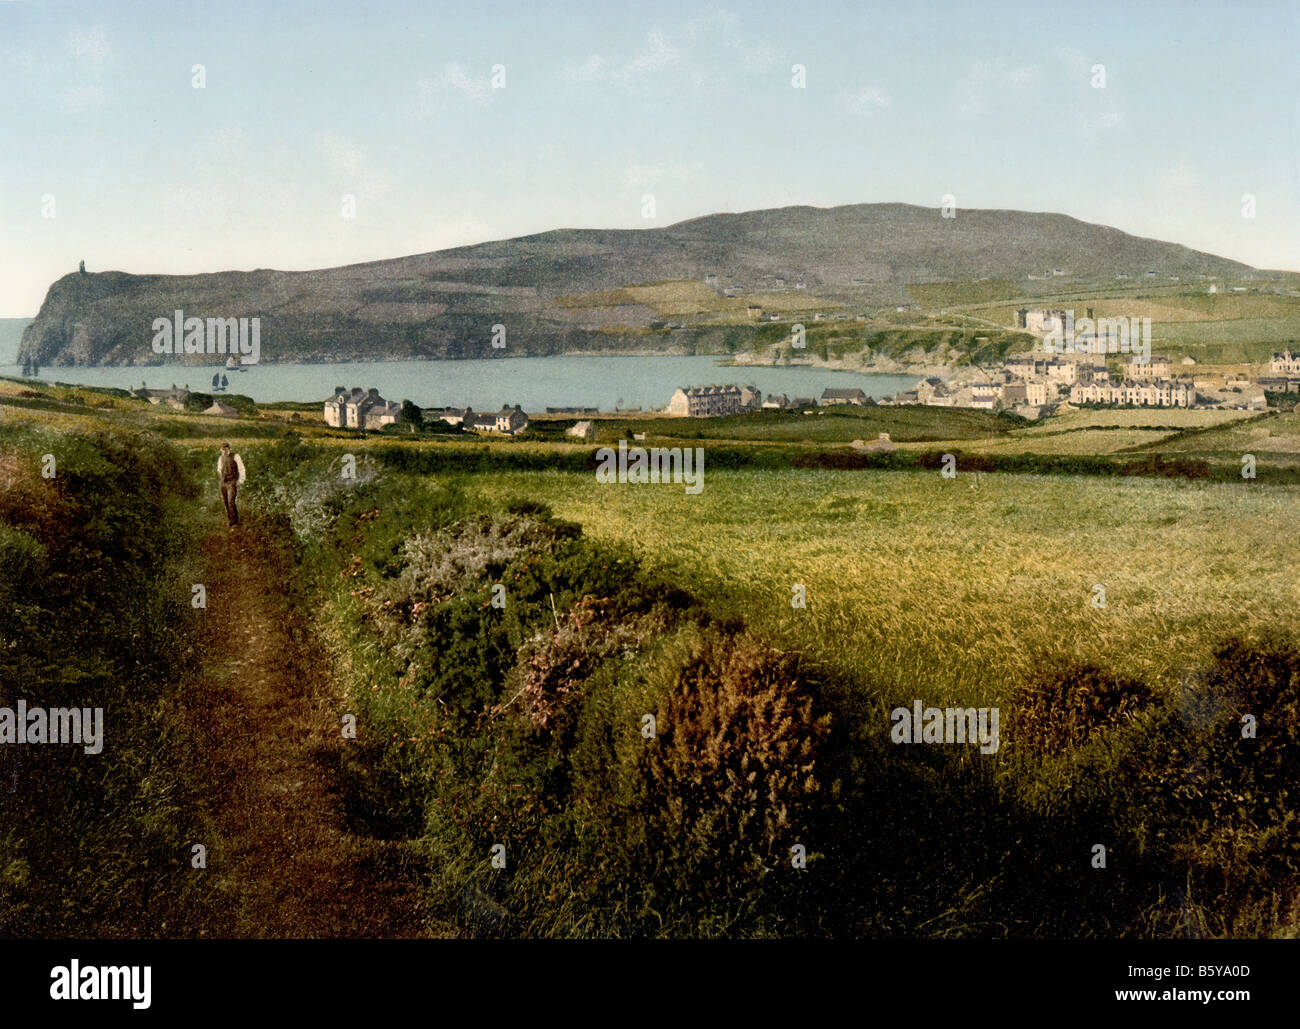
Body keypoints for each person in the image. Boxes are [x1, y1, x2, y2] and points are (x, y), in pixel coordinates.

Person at [217, 443, 246, 527]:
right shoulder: (220, 458)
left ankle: (235, 522)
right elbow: (219, 469)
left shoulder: (236, 456)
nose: (223, 451)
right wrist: (221, 479)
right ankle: (230, 520)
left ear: (228, 449)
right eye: (222, 449)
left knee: (231, 502)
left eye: (225, 449)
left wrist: (240, 481)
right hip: (223, 482)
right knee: (226, 502)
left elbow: (242, 469)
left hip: (232, 482)